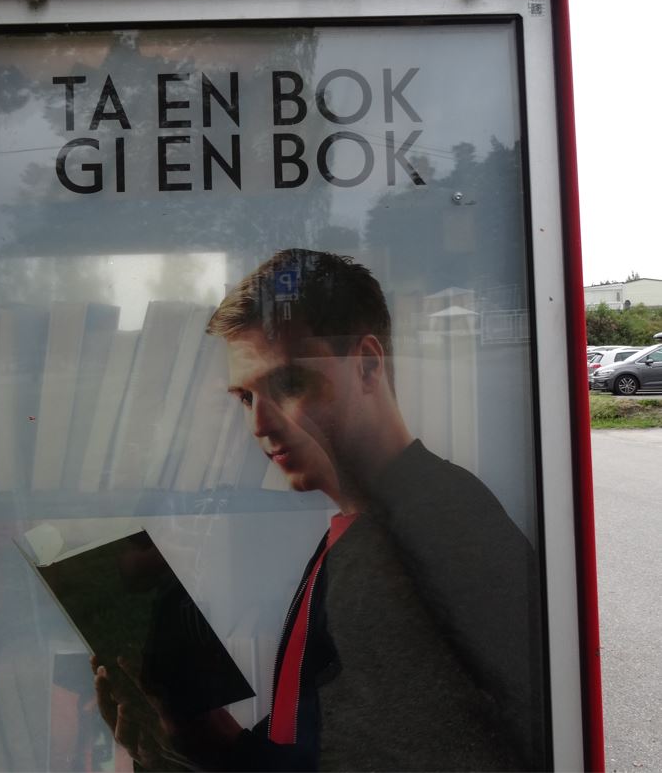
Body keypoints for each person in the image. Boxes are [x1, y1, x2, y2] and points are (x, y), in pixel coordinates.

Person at [94, 249, 545, 771]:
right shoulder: (389, 518)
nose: (259, 425)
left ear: (368, 365)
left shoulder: (412, 542)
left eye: (287, 384)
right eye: (245, 398)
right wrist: (190, 742)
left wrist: (209, 746)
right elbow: (334, 740)